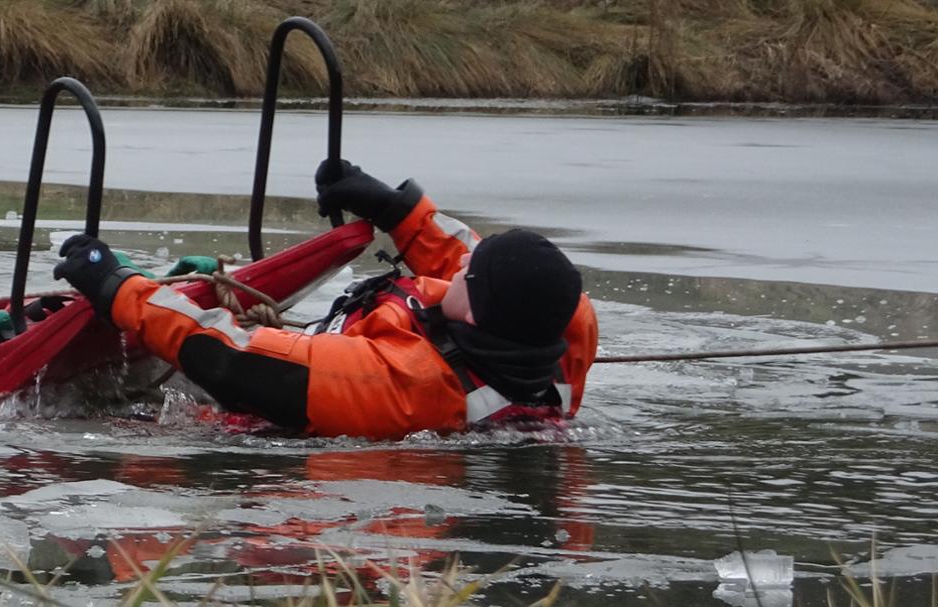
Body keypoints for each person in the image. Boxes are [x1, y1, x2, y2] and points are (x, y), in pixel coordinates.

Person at [52, 159, 598, 440]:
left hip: (284, 424)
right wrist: (395, 209)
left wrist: (118, 288)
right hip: (369, 377)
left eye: (466, 277)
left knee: (130, 431)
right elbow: (474, 261)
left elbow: (228, 355)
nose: (457, 267)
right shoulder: (559, 317)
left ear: (475, 310)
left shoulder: (398, 385)